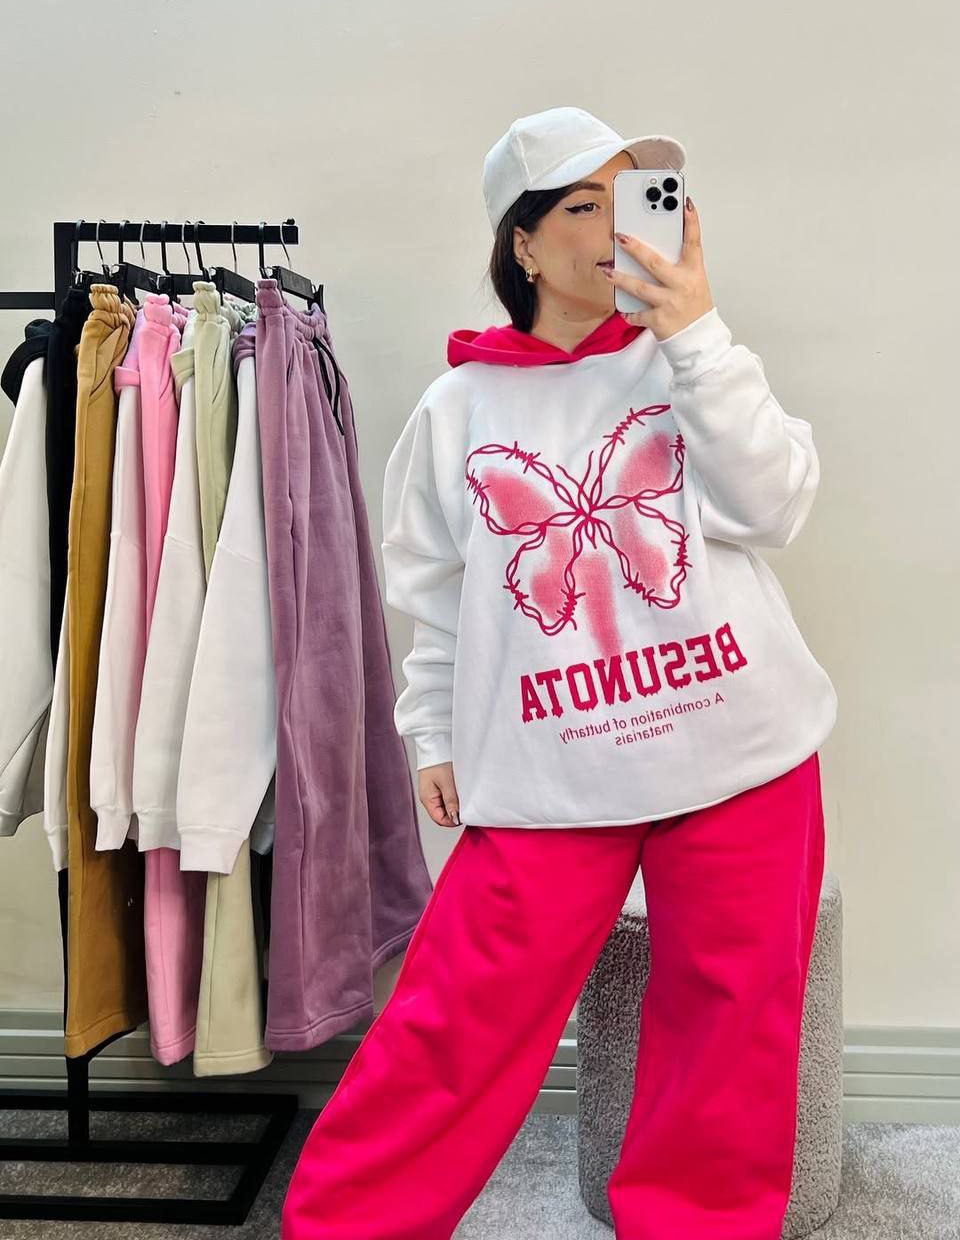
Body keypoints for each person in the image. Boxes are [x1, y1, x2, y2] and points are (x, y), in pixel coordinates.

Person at [280, 106, 838, 1240]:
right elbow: (435, 593)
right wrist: (432, 731)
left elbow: (772, 506)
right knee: (453, 1028)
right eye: (584, 205)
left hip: (739, 744)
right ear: (522, 245)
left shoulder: (692, 360)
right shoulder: (457, 408)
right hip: (548, 762)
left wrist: (697, 334)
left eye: (630, 199)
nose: (613, 227)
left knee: (732, 1032)